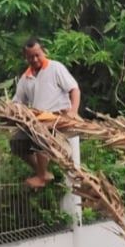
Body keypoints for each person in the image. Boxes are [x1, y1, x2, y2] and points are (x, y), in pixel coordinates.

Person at [11, 37, 80, 188]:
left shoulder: (55, 68)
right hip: (37, 119)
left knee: (40, 136)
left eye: (37, 55)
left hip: (57, 118)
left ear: (43, 52)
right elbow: (17, 101)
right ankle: (42, 172)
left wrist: (73, 112)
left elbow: (74, 89)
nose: (35, 59)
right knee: (16, 142)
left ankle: (41, 176)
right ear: (26, 57)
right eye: (31, 57)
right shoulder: (25, 78)